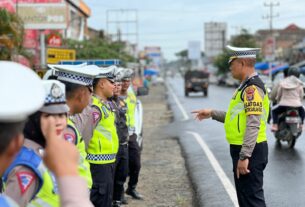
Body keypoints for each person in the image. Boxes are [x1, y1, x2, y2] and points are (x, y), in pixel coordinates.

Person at [0, 61, 92, 207]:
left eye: (62, 115)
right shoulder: (27, 166)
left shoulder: (52, 151)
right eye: (48, 116)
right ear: (35, 120)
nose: (58, 122)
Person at [192, 45, 269, 207]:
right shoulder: (245, 86)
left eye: (231, 62)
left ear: (241, 63)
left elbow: (253, 124)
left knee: (252, 200)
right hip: (244, 148)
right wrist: (212, 113)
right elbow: (236, 117)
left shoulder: (252, 89)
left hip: (250, 150)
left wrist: (244, 156)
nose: (229, 67)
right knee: (245, 199)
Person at [120, 69, 143, 200]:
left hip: (131, 134)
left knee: (136, 163)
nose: (126, 83)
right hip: (120, 135)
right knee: (122, 167)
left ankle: (131, 188)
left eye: (128, 80)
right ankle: (120, 192)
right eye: (123, 81)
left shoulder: (131, 95)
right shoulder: (115, 96)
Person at [110, 68, 129, 207]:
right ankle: (111, 200)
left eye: (118, 85)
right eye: (114, 85)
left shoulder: (122, 102)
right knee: (111, 177)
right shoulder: (106, 103)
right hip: (112, 147)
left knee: (122, 175)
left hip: (123, 144)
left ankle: (117, 200)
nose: (117, 87)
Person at [270, 67, 305, 131]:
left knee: (274, 111)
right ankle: (302, 124)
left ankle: (275, 125)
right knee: (302, 110)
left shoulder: (283, 82)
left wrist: (278, 99)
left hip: (284, 104)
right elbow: (301, 95)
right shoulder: (300, 83)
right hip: (297, 105)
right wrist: (299, 100)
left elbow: (279, 95)